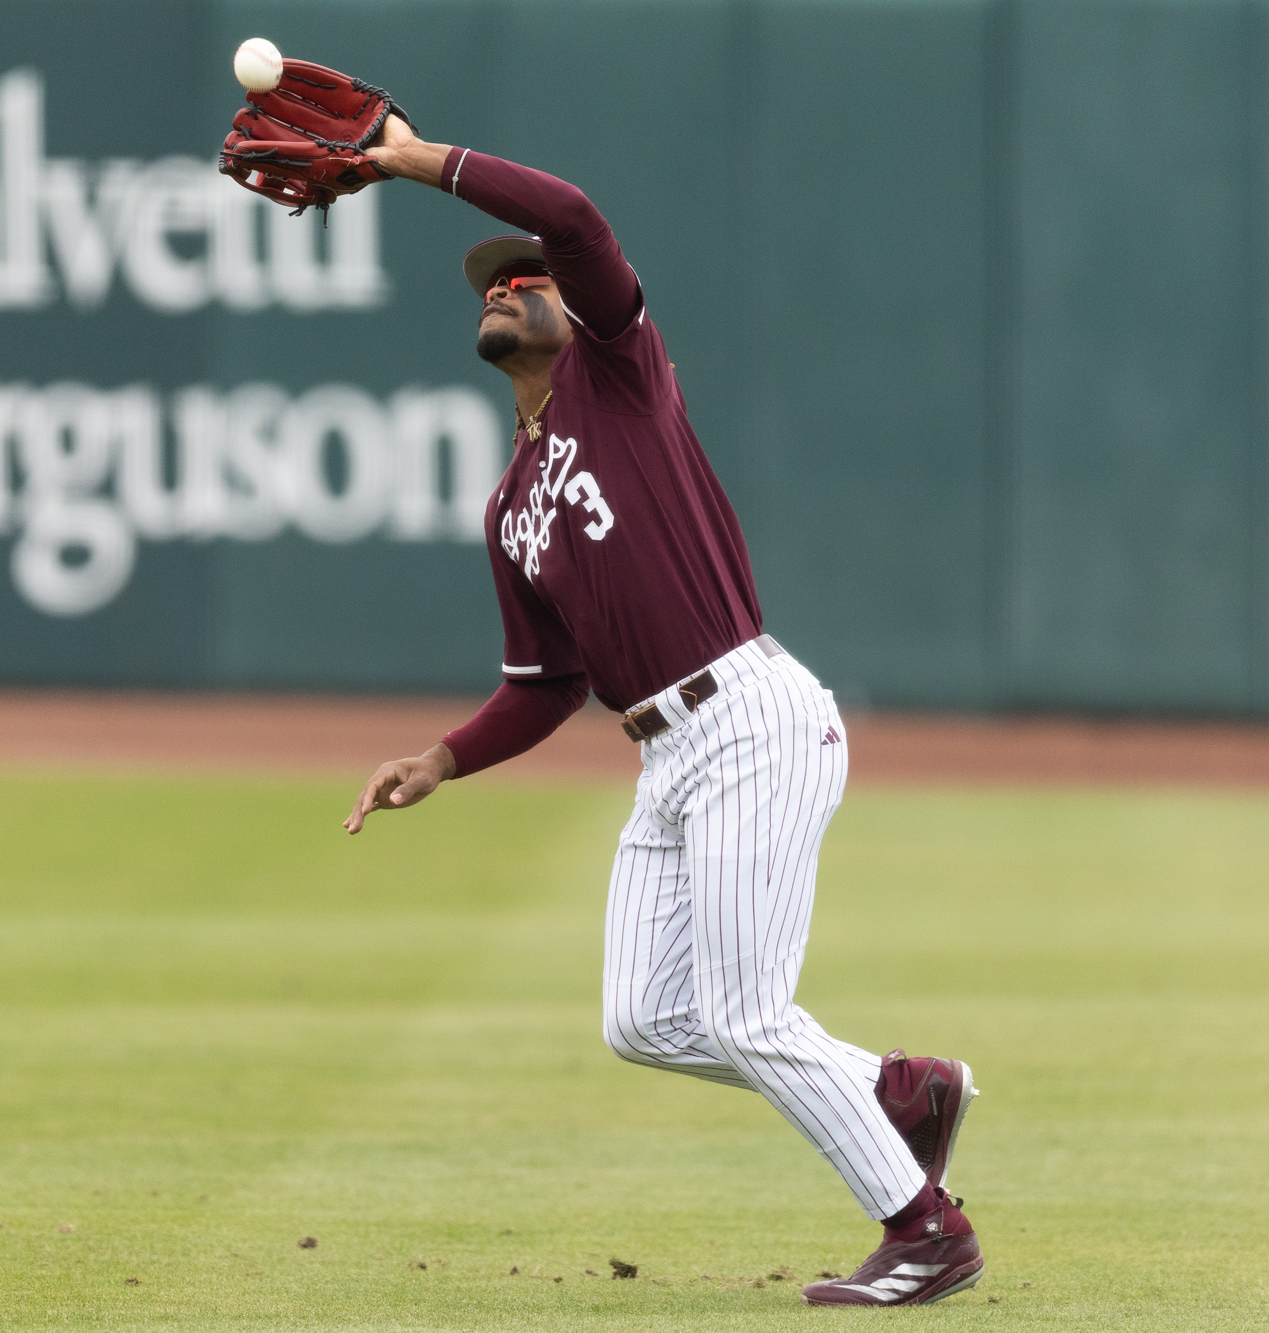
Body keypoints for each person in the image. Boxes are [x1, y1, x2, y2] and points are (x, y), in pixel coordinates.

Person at [341, 115, 985, 1307]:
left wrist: (415, 158)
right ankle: (900, 1091)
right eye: (492, 287)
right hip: (664, 753)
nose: (508, 288)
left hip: (747, 712)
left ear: (565, 315)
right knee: (645, 1017)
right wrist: (439, 757)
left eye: (522, 280)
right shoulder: (507, 506)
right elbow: (544, 686)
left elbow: (573, 220)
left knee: (744, 1010)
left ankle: (924, 1226)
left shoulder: (618, 377)